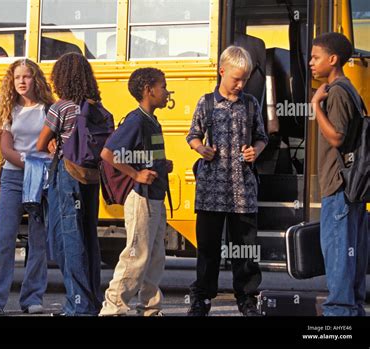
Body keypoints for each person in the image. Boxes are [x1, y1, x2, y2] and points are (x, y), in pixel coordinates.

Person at [186, 46, 268, 316]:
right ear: (222, 71)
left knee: (245, 249)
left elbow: (262, 137)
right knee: (208, 249)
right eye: (236, 79)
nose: (240, 84)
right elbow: (192, 135)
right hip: (210, 190)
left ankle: (246, 298)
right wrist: (201, 148)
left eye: (244, 79)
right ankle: (202, 298)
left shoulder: (251, 104)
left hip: (243, 190)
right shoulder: (206, 102)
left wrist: (255, 150)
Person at [0, 59, 54, 316]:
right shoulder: (9, 110)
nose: (22, 81)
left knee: (39, 239)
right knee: (5, 237)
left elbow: (53, 144)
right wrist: (29, 161)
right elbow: (6, 148)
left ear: (36, 79)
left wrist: (42, 162)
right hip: (14, 178)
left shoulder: (48, 109)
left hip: (42, 179)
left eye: (27, 76)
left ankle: (32, 297)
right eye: (17, 78)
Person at [99, 67, 173, 316]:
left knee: (154, 257)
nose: (167, 91)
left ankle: (150, 308)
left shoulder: (151, 120)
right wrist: (136, 174)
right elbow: (108, 153)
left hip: (155, 198)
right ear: (148, 90)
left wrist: (162, 166)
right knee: (136, 255)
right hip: (141, 197)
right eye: (163, 86)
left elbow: (143, 155)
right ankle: (112, 308)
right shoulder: (136, 120)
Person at [37, 52, 104, 316]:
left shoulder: (60, 107)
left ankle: (78, 305)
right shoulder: (96, 106)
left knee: (68, 238)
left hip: (66, 176)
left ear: (61, 78)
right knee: (89, 236)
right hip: (91, 176)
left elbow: (40, 144)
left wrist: (54, 143)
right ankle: (93, 300)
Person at [309, 32, 368, 316]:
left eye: (315, 57)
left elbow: (337, 137)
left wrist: (315, 106)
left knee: (338, 256)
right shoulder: (350, 90)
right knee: (350, 254)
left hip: (339, 187)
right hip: (351, 187)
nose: (311, 62)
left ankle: (340, 318)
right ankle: (351, 311)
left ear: (332, 60)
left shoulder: (337, 92)